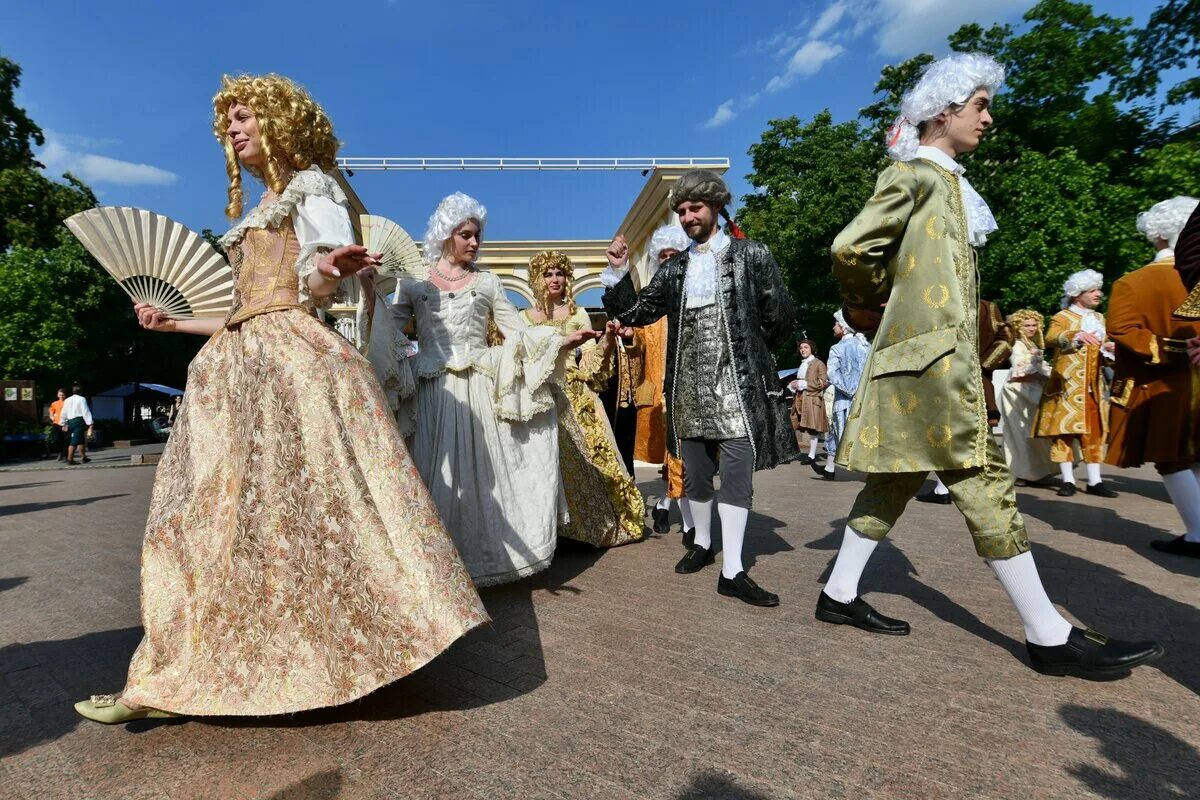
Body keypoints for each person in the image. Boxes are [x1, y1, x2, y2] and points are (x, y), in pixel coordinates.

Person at [73, 74, 488, 725]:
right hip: (232, 370)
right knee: (200, 524)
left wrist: (326, 270)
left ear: (279, 121)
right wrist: (171, 323)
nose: (233, 132)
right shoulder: (258, 208)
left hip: (288, 367)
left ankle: (319, 655)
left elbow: (318, 278)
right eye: (228, 124)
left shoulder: (313, 188)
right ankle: (192, 664)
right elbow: (241, 309)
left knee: (299, 522)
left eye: (243, 118)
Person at [818, 52, 1162, 677]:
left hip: (927, 362)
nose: (989, 118)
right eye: (980, 106)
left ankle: (836, 593)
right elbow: (850, 247)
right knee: (985, 481)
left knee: (893, 482)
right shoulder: (918, 175)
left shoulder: (944, 179)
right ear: (944, 112)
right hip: (930, 366)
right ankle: (1047, 632)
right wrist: (875, 307)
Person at [603, 170, 798, 607]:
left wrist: (751, 349)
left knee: (735, 472)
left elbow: (779, 315)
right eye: (682, 211)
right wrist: (617, 273)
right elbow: (637, 310)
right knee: (694, 474)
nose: (689, 216)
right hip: (688, 387)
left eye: (695, 208)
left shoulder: (752, 254)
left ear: (715, 207)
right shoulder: (675, 270)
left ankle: (734, 570)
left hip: (736, 386)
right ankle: (704, 543)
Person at [388, 193, 597, 586]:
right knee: (436, 474)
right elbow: (389, 331)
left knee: (483, 475)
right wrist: (367, 292)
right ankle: (434, 565)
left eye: (477, 236)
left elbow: (517, 331)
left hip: (479, 389)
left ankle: (477, 561)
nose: (473, 243)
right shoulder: (413, 284)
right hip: (433, 391)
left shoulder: (487, 282)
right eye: (465, 234)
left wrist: (558, 343)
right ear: (446, 234)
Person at [520, 250, 645, 547]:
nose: (554, 279)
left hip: (576, 397)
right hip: (538, 396)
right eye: (548, 274)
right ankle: (546, 532)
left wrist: (606, 340)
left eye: (559, 273)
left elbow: (589, 366)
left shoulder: (577, 314)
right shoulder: (523, 318)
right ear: (536, 279)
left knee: (587, 460)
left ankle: (584, 529)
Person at [1108, 197, 1200, 557]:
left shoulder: (1133, 282)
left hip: (1162, 384)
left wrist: (1171, 352)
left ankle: (1196, 534)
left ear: (1157, 235)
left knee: (1171, 458)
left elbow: (1122, 329)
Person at [608, 226, 697, 543]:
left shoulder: (697, 296)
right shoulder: (652, 301)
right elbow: (637, 340)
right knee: (678, 457)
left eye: (675, 255)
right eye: (664, 256)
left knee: (689, 460)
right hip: (661, 395)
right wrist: (631, 338)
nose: (670, 260)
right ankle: (690, 525)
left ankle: (665, 504)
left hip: (695, 394)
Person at [1033, 270, 1118, 498]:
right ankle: (1067, 480)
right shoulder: (1063, 317)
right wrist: (1075, 336)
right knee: (1064, 433)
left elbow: (1104, 343)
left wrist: (1109, 349)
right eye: (1092, 290)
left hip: (1093, 387)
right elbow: (1051, 337)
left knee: (1094, 433)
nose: (1098, 294)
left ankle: (1095, 481)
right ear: (1077, 294)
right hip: (1067, 387)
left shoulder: (1100, 318)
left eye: (1098, 290)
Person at [999, 309, 1057, 484]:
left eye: (1034, 325)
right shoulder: (1017, 345)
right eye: (1027, 325)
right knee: (1020, 432)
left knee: (1031, 432)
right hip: (1017, 392)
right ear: (1019, 327)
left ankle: (1035, 471)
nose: (1031, 328)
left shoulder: (1031, 345)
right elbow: (1018, 373)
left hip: (1030, 391)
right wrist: (1041, 375)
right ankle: (1020, 472)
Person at [815, 311, 868, 481]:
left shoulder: (837, 348)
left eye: (836, 323)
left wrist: (850, 390)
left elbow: (832, 374)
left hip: (844, 401)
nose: (833, 327)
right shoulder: (865, 346)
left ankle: (831, 468)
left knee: (839, 433)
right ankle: (830, 468)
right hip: (865, 399)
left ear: (843, 328)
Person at [788, 339, 828, 465]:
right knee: (791, 424)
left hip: (811, 399)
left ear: (812, 349)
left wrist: (805, 384)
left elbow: (823, 382)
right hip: (799, 398)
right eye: (801, 348)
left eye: (805, 347)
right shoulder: (803, 364)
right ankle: (788, 453)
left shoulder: (818, 363)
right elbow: (800, 380)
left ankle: (811, 456)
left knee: (812, 428)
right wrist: (794, 385)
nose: (803, 350)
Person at [61, 384, 93, 465]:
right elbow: (85, 411)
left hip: (70, 421)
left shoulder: (67, 400)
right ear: (81, 391)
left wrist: (63, 422)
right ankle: (70, 459)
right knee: (74, 441)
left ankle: (84, 457)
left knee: (80, 440)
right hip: (78, 421)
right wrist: (90, 423)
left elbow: (64, 412)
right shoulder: (82, 399)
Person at [47, 387, 67, 461]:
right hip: (56, 423)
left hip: (65, 423)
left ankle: (65, 455)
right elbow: (51, 412)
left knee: (65, 440)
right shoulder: (54, 403)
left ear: (65, 395)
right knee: (56, 440)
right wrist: (52, 417)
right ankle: (60, 453)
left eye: (63, 395)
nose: (61, 396)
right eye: (60, 395)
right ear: (57, 395)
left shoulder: (67, 402)